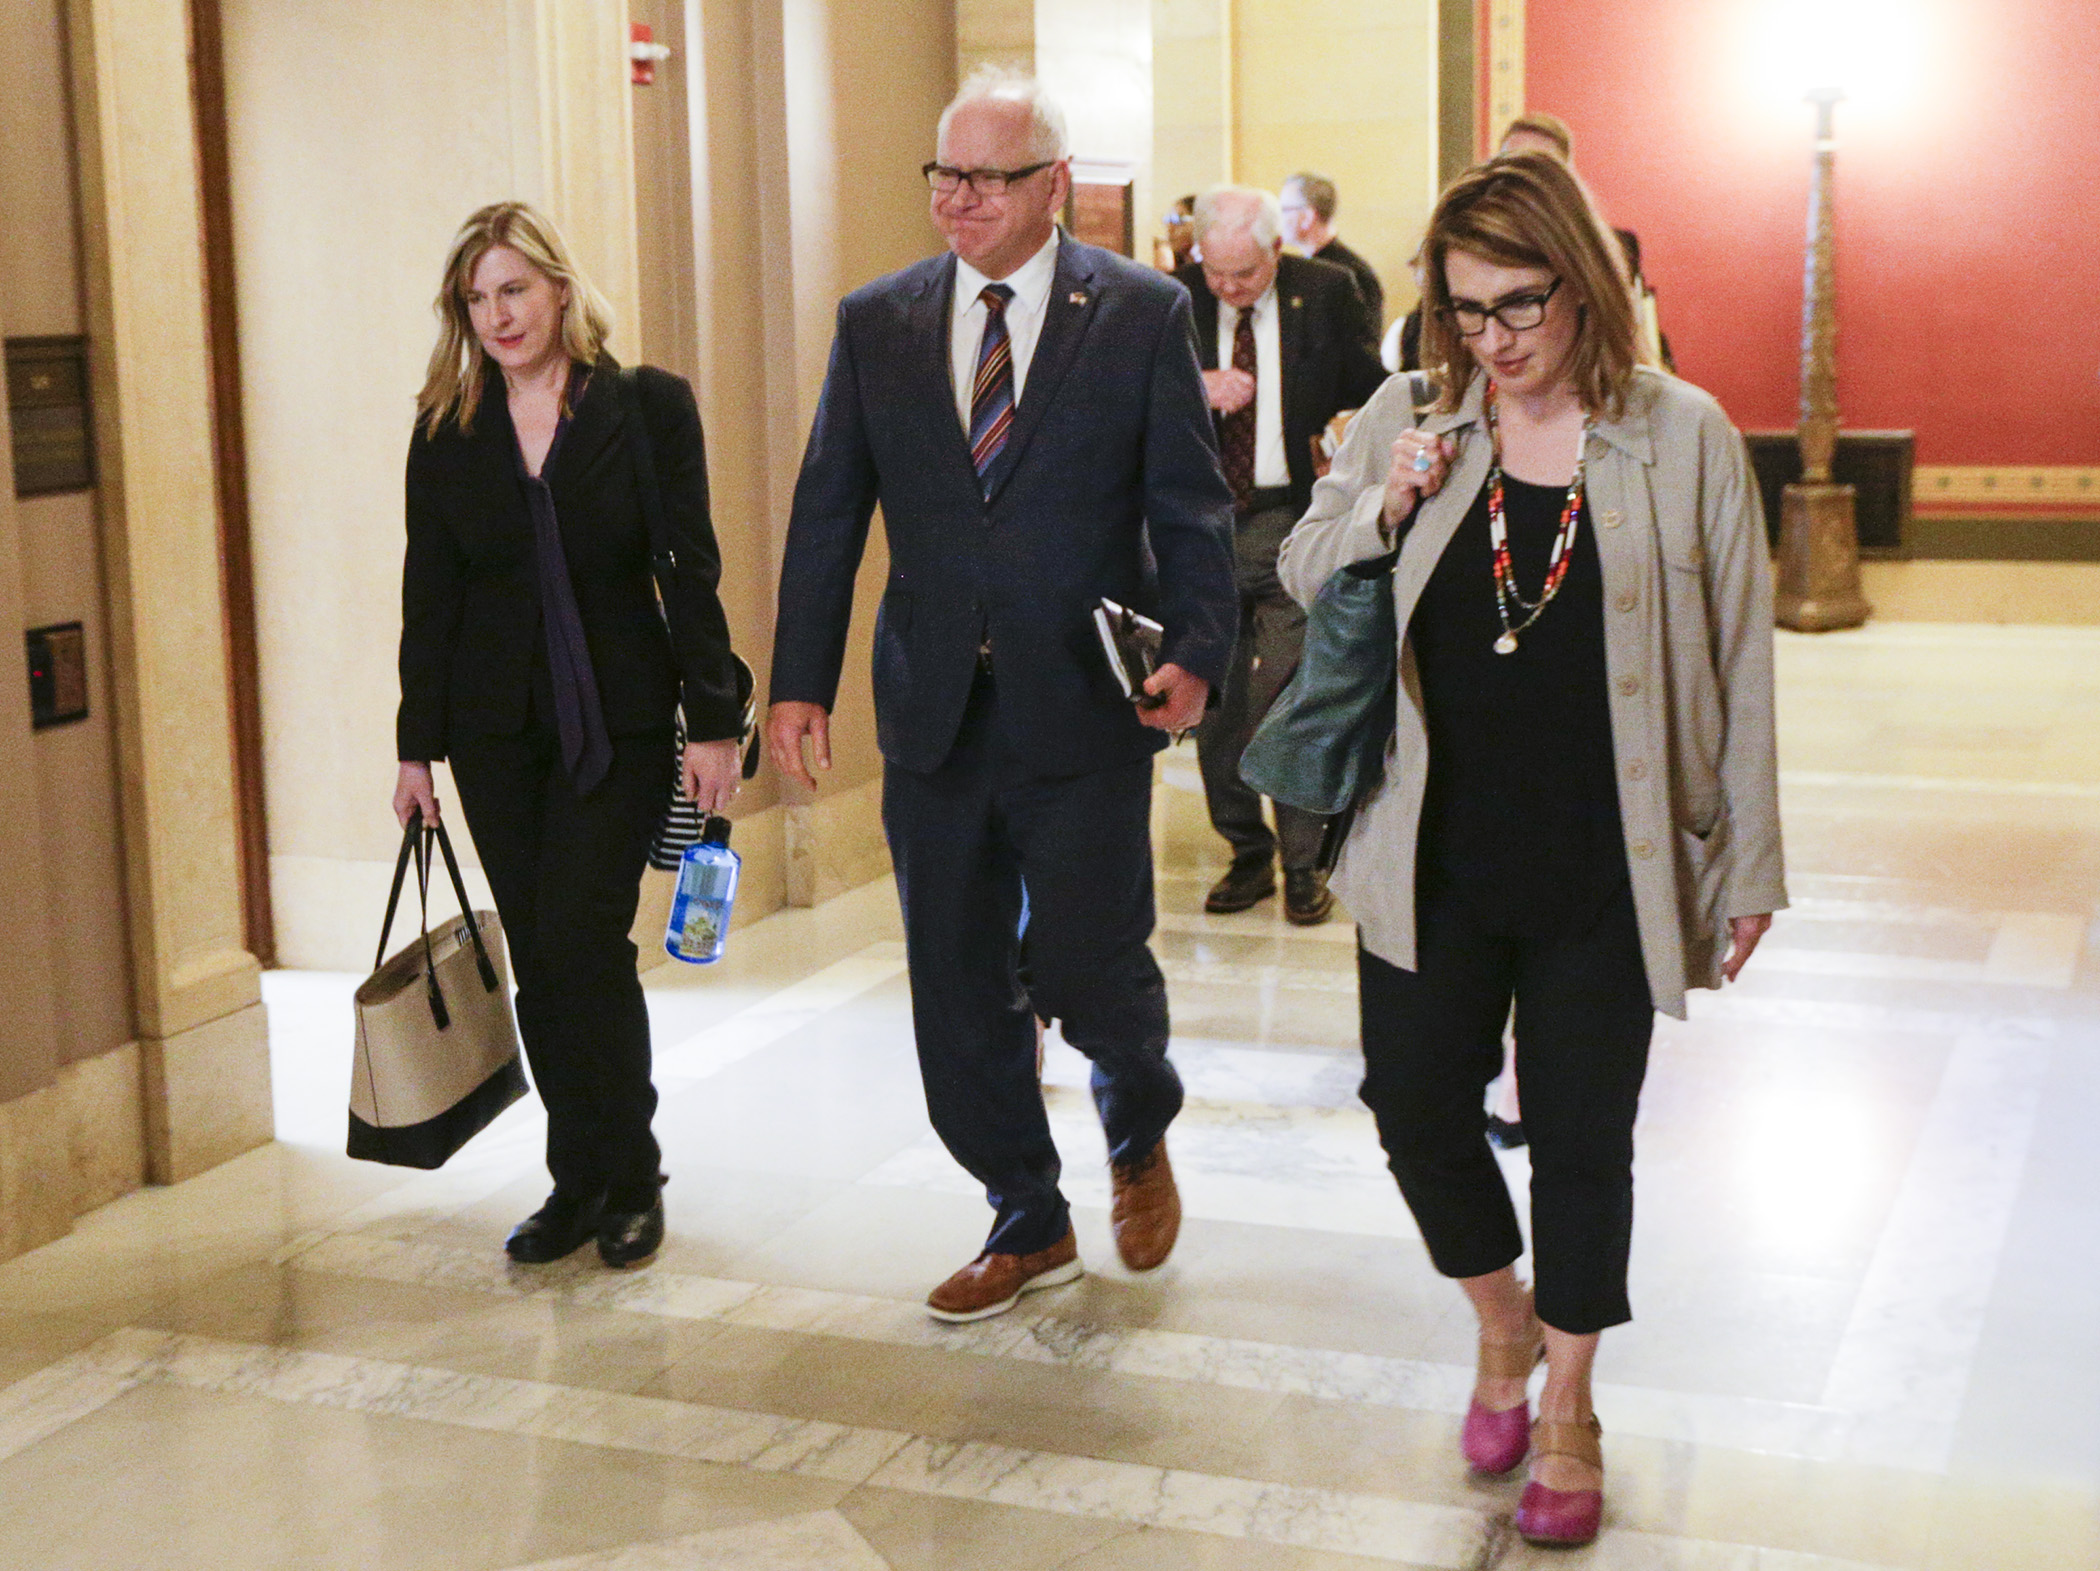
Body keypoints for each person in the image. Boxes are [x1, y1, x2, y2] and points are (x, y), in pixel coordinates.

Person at [1277, 151, 1783, 1547]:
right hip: (1428, 849)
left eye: (1517, 305)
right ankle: (1500, 1318)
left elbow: (1742, 659)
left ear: (1583, 283)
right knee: (1415, 1107)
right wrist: (1386, 501)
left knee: (1580, 1139)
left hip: (1602, 866)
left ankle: (1568, 1396)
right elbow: (1304, 569)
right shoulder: (1413, 411)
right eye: (1464, 312)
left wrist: (1747, 864)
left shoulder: (1681, 435)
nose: (1491, 340)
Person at [766, 67, 1236, 1323]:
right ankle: (1025, 1215)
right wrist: (797, 680)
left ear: (1053, 186)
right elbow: (828, 510)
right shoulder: (881, 321)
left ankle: (1137, 1116)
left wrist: (1197, 647)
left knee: (1093, 962)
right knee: (956, 980)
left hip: (1086, 704)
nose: (957, 200)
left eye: (986, 177)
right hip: (935, 706)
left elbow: (1189, 501)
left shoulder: (1136, 313)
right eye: (944, 175)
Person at [394, 202, 746, 1270]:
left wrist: (716, 718)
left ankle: (632, 1174)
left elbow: (689, 566)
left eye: (514, 289)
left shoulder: (644, 409)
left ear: (558, 288)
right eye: (477, 297)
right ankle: (575, 1175)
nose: (497, 314)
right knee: (541, 961)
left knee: (585, 942)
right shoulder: (447, 426)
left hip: (623, 720)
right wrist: (415, 745)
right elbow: (430, 589)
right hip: (498, 730)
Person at [1176, 186, 1387, 924]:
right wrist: (1191, 386)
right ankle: (1245, 852)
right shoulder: (1174, 301)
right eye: (1216, 273)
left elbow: (1374, 387)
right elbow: (1126, 399)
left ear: (1276, 251)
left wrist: (1354, 459)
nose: (1229, 289)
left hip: (1289, 524)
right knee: (1216, 703)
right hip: (1200, 529)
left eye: (1245, 273)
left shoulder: (1325, 292)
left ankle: (1305, 863)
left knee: (1291, 697)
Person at [1499, 112, 1673, 371]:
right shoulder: (1465, 250)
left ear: (1565, 181)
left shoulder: (1609, 249)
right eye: (1512, 165)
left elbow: (1635, 344)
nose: (1523, 180)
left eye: (1539, 168)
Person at [1280, 172, 1385, 339]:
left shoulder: (1349, 273)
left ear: (1307, 216)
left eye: (1284, 210)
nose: (1279, 218)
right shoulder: (1310, 268)